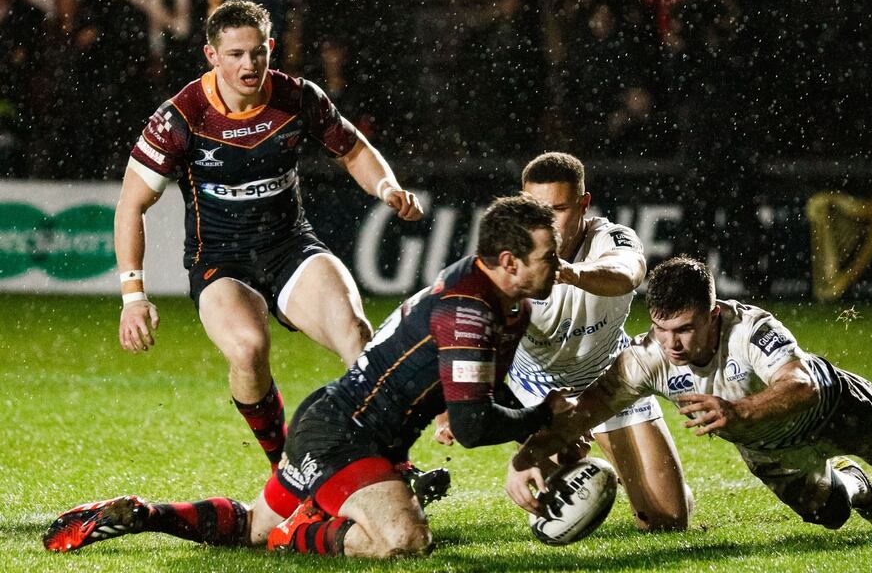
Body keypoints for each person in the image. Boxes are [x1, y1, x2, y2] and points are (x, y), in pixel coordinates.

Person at [44, 195, 572, 558]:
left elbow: (485, 388)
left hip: (344, 427)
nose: (559, 264)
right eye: (549, 257)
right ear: (509, 261)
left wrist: (531, 423)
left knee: (253, 526)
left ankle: (145, 514)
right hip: (343, 437)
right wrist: (545, 418)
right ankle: (301, 532)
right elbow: (475, 426)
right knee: (403, 539)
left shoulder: (503, 301)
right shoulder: (468, 310)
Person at [114, 0, 423, 469]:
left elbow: (353, 148)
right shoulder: (181, 117)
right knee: (247, 349)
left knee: (357, 336)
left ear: (271, 48)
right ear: (211, 56)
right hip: (220, 261)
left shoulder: (297, 96)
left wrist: (386, 185)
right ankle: (287, 469)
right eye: (235, 54)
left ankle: (391, 463)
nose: (249, 65)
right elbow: (131, 204)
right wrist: (133, 295)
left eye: (258, 52)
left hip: (291, 247)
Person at [507, 254, 872, 532]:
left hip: (828, 406)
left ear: (713, 314)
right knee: (828, 515)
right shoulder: (648, 357)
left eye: (686, 329)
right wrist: (526, 458)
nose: (672, 344)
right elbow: (586, 410)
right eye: (661, 329)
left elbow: (801, 384)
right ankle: (857, 488)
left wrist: (740, 410)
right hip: (767, 444)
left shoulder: (750, 329)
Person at [436, 152, 691, 530]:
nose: (546, 222)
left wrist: (569, 272)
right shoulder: (505, 261)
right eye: (535, 209)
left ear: (584, 205)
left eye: (558, 209)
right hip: (537, 389)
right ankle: (576, 457)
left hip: (610, 376)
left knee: (667, 519)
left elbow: (628, 273)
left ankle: (640, 476)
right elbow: (470, 333)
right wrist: (448, 403)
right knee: (562, 508)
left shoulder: (611, 238)